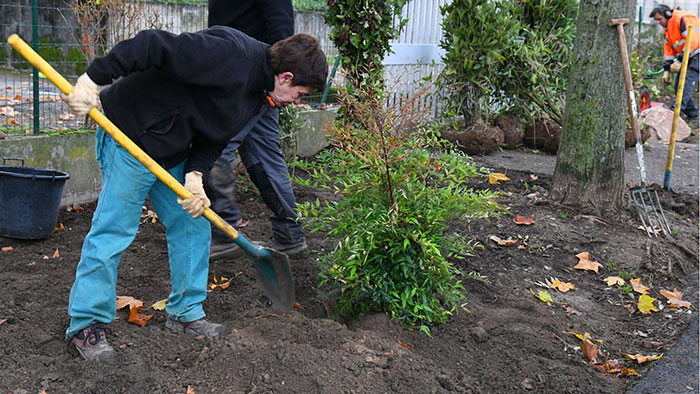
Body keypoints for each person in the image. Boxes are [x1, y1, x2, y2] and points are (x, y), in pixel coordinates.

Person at [61, 27, 328, 363]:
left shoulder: (261, 94)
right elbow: (152, 45)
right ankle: (86, 324)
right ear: (286, 77)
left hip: (172, 149)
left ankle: (185, 313)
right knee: (114, 229)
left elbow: (217, 136)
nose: (297, 102)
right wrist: (93, 78)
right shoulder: (229, 56)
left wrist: (195, 174)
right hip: (131, 133)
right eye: (300, 94)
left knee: (193, 225)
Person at [205, 0, 308, 260]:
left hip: (256, 77)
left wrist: (277, 82)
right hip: (231, 73)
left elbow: (281, 27)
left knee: (218, 148)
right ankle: (288, 233)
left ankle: (225, 233)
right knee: (261, 154)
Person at [649, 4, 699, 123]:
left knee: (684, 85)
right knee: (678, 87)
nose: (658, 22)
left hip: (697, 54)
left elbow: (692, 41)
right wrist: (666, 69)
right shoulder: (667, 28)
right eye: (656, 20)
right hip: (688, 55)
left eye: (659, 19)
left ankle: (674, 117)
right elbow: (668, 49)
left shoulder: (683, 18)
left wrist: (680, 60)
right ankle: (693, 114)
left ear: (667, 15)